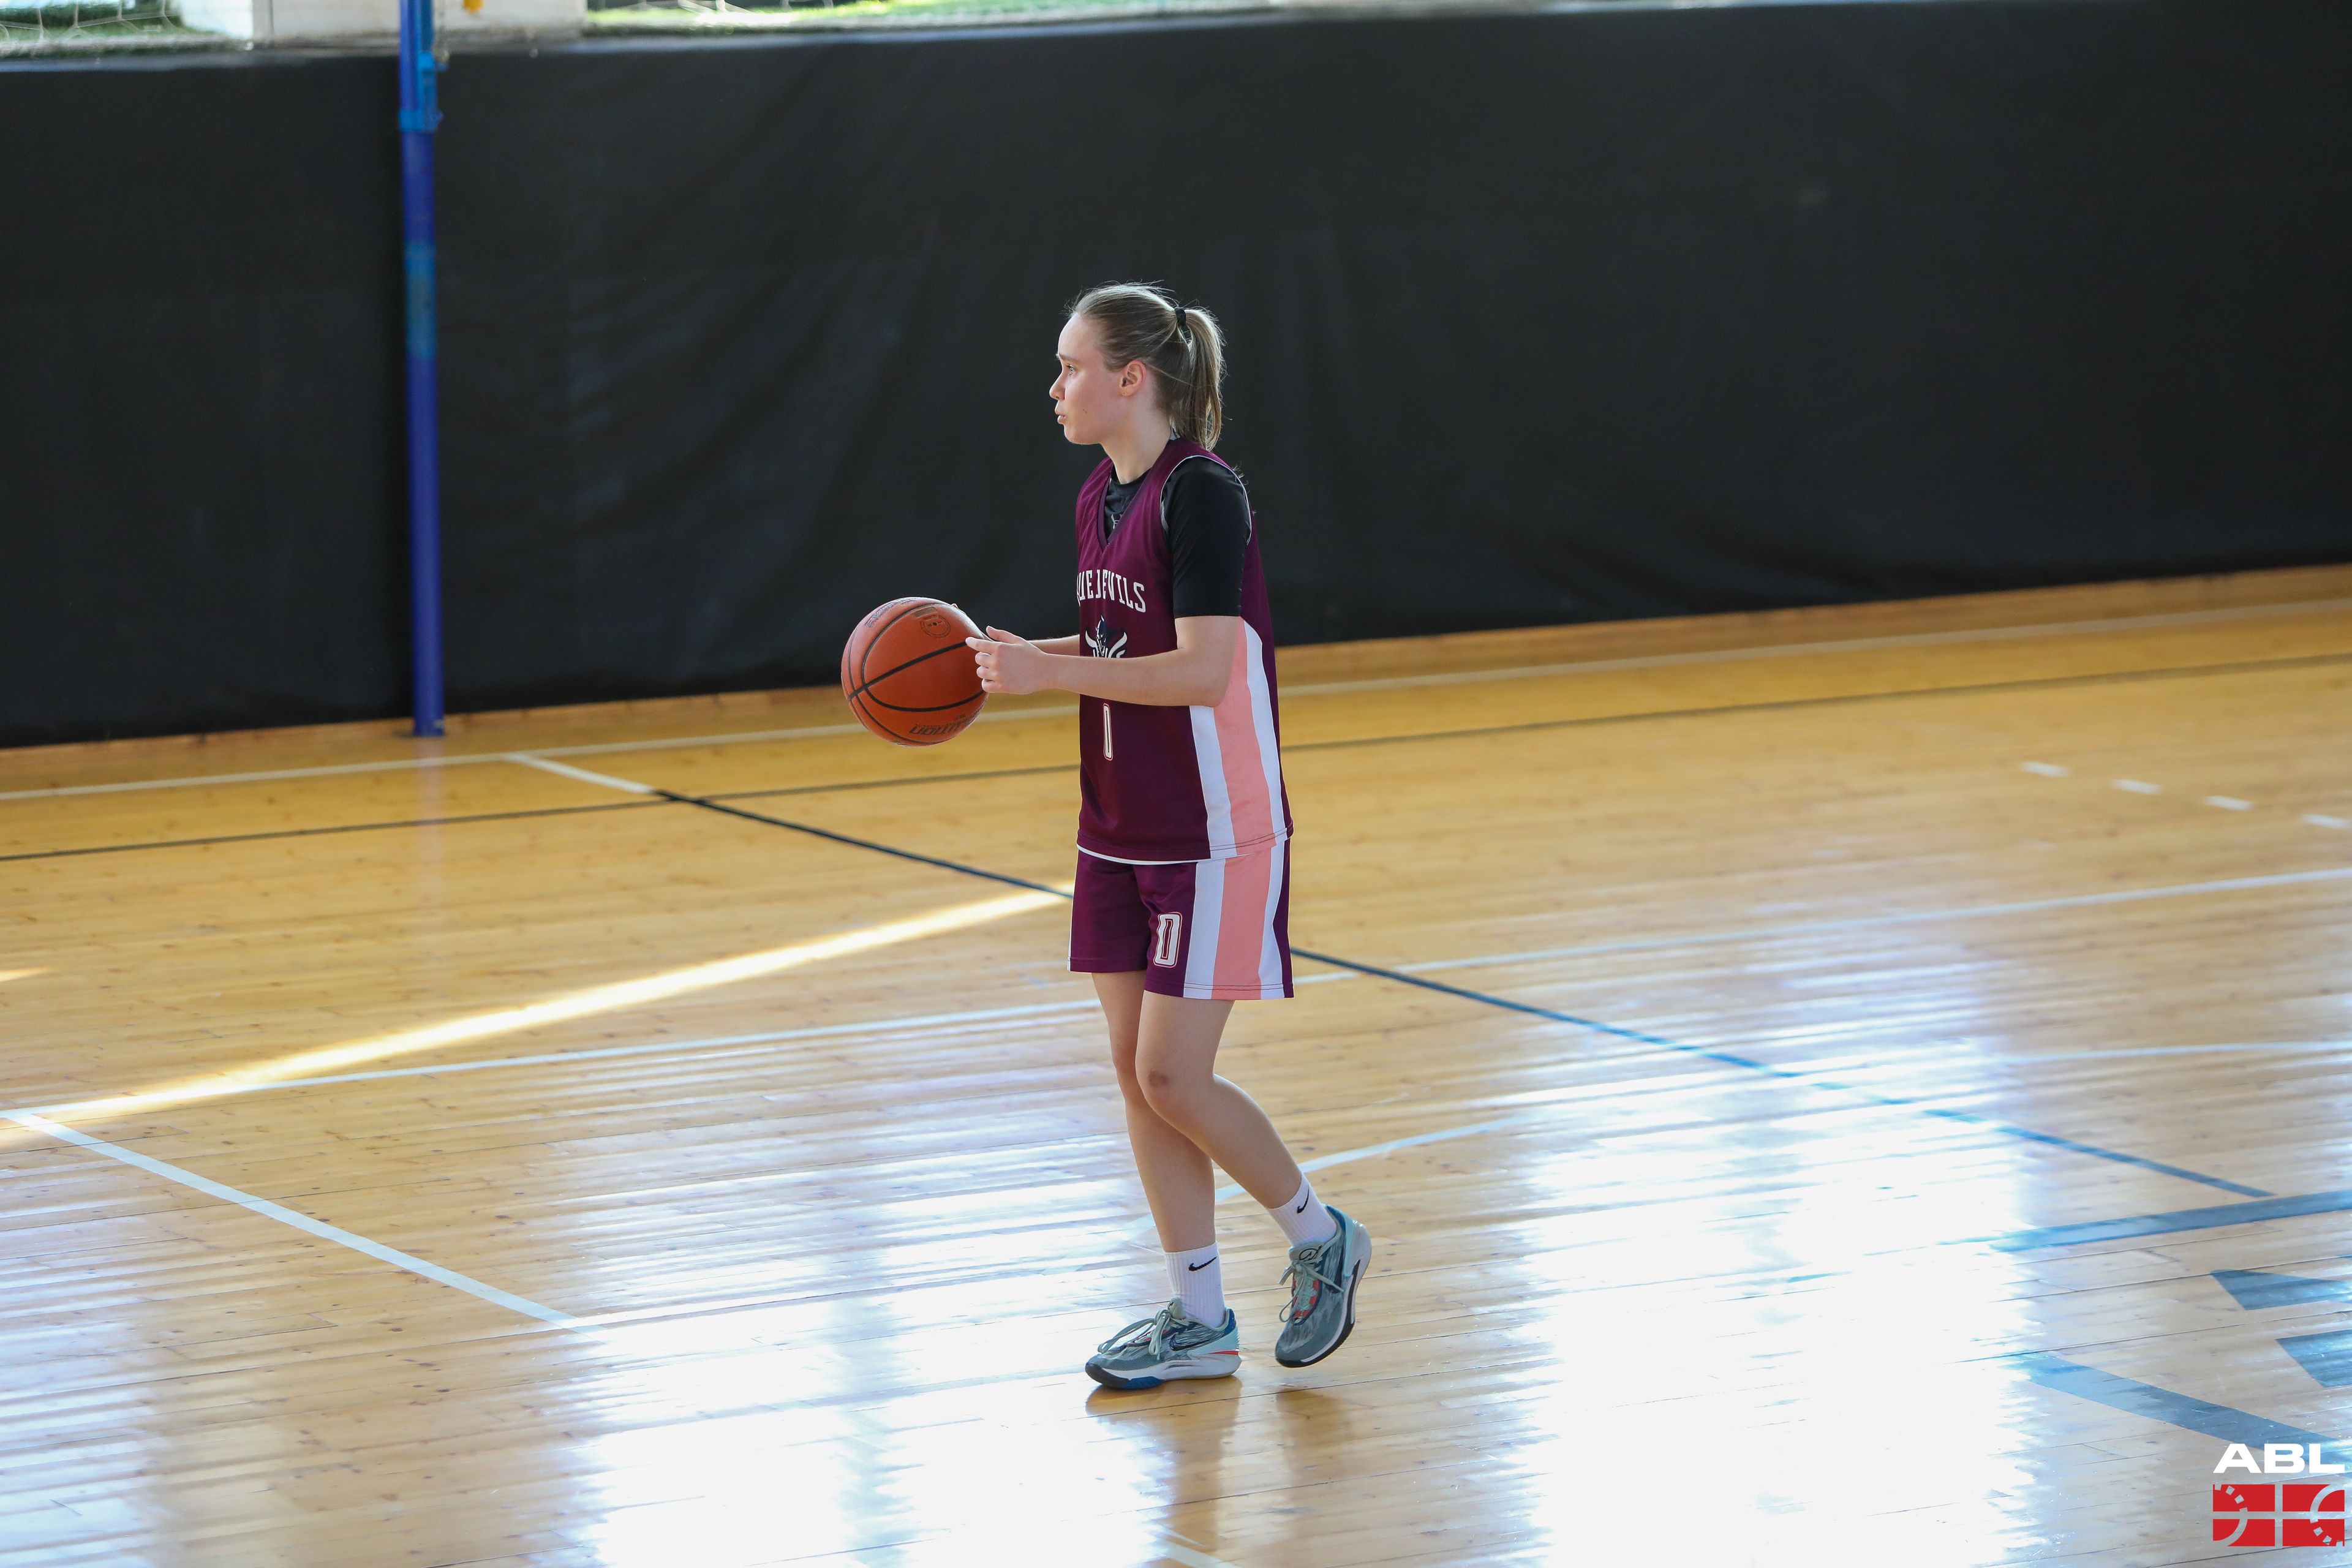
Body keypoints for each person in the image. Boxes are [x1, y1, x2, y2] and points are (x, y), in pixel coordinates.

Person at [967, 283, 1371, 1390]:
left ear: (1131, 378)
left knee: (1172, 1076)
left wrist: (1052, 674)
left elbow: (1200, 670)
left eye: (1071, 367)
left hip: (1211, 826)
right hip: (1116, 824)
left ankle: (1321, 1236)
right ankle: (1199, 1319)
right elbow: (1119, 641)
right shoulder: (1100, 493)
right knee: (1133, 1072)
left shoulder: (1202, 493)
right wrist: (1023, 658)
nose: (1056, 387)